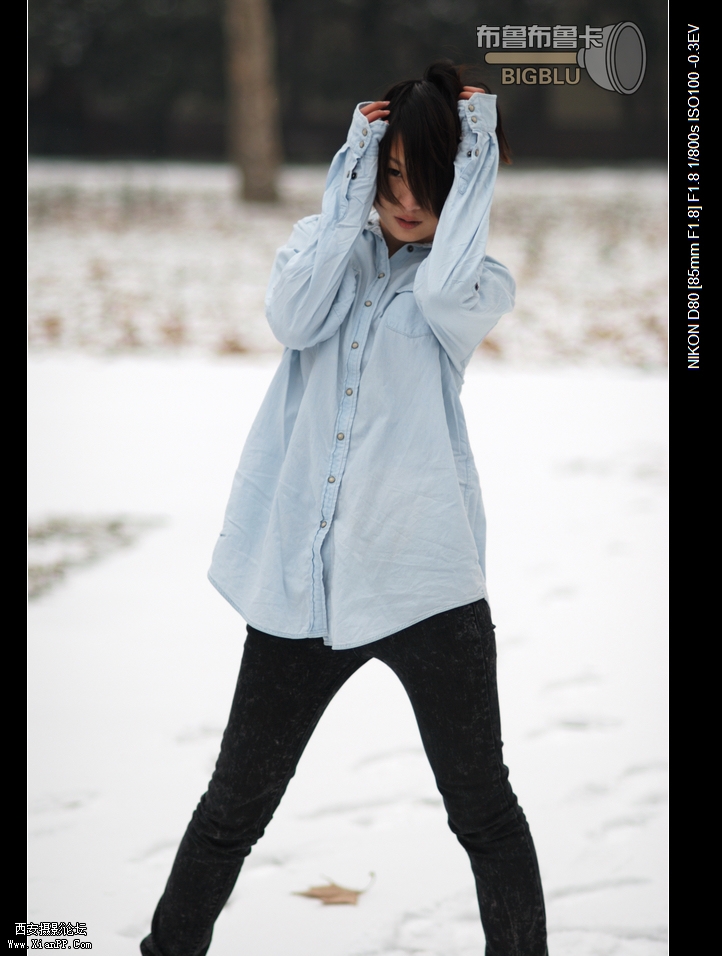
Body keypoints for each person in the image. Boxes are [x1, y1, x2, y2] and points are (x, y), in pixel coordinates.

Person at [141, 60, 548, 956]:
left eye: (429, 182)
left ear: (461, 186)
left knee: (484, 811)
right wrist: (350, 176)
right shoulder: (321, 248)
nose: (405, 201)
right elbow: (293, 319)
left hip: (424, 585)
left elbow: (437, 288)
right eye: (392, 175)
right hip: (303, 587)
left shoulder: (474, 283)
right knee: (231, 810)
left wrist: (475, 154)